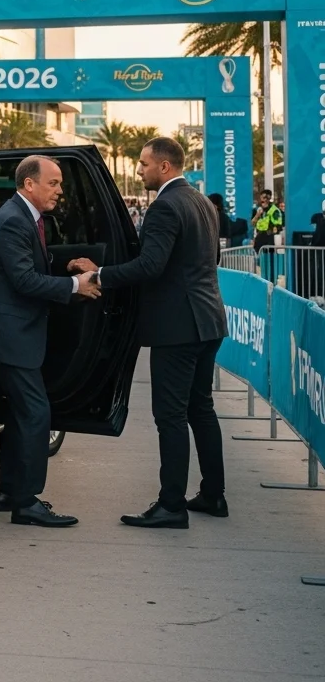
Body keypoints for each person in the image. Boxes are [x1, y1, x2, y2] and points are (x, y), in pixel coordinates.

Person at [69, 137, 227, 528]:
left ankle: (171, 506)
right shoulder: (201, 202)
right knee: (200, 409)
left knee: (170, 416)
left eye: (143, 164)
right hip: (208, 321)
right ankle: (213, 495)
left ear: (164, 166)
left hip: (178, 328)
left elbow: (150, 266)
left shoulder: (165, 206)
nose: (139, 170)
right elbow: (204, 260)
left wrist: (99, 274)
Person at [0, 154, 101, 527]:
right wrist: (75, 285)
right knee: (36, 413)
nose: (59, 190)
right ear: (29, 184)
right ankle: (26, 503)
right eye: (53, 183)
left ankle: (8, 492)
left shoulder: (23, 216)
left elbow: (26, 269)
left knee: (20, 413)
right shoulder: (13, 220)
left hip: (12, 334)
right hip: (8, 335)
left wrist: (63, 268)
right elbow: (24, 281)